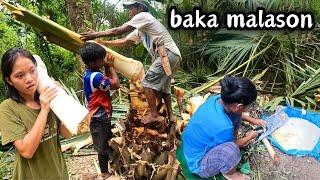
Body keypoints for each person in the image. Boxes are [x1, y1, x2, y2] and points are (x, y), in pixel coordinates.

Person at [81, 0, 181, 124]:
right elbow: (125, 40)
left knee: (147, 82)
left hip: (167, 54)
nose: (129, 12)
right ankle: (171, 116)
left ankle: (154, 115)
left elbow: (118, 30)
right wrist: (105, 43)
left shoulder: (144, 16)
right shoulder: (141, 29)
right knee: (164, 88)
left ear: (139, 8)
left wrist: (95, 35)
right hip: (174, 55)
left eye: (131, 8)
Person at [0, 47, 70, 179]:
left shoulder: (48, 99)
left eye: (32, 71)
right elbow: (26, 151)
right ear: (9, 80)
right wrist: (44, 110)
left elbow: (67, 133)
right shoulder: (7, 108)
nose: (29, 79)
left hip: (59, 174)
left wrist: (62, 102)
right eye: (20, 75)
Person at [182, 76, 266, 180]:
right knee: (231, 151)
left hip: (192, 146)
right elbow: (233, 146)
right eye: (248, 106)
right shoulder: (223, 126)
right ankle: (231, 174)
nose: (249, 108)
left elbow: (238, 113)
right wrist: (250, 136)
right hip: (198, 163)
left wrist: (254, 120)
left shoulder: (216, 100)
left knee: (237, 116)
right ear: (239, 106)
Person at [80, 42, 120, 179]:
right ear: (92, 63)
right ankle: (104, 172)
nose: (103, 61)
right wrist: (110, 66)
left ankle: (109, 166)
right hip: (99, 115)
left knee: (105, 140)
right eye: (101, 60)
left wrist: (106, 67)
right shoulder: (95, 77)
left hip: (99, 115)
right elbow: (116, 84)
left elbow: (107, 82)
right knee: (102, 144)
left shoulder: (92, 74)